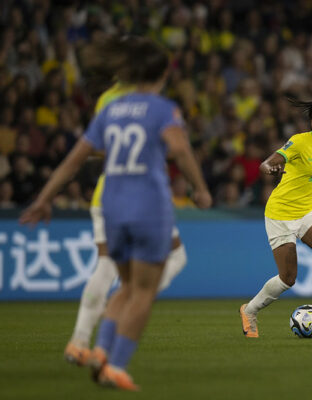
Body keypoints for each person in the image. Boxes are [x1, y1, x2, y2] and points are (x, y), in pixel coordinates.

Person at [20, 36, 212, 390]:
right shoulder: (162, 108)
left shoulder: (111, 108)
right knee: (142, 291)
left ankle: (98, 350)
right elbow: (181, 150)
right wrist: (199, 188)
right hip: (148, 205)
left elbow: (74, 160)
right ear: (163, 74)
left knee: (123, 286)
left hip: (112, 204)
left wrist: (44, 197)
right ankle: (115, 364)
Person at [63, 67, 188, 366]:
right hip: (140, 196)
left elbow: (99, 147)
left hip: (110, 195)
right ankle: (121, 309)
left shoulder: (110, 99)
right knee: (153, 263)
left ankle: (82, 340)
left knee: (110, 267)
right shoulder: (147, 102)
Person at [239, 96, 312, 338]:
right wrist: (271, 168)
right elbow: (266, 164)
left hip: (306, 210)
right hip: (280, 213)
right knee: (288, 278)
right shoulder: (299, 142)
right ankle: (249, 311)